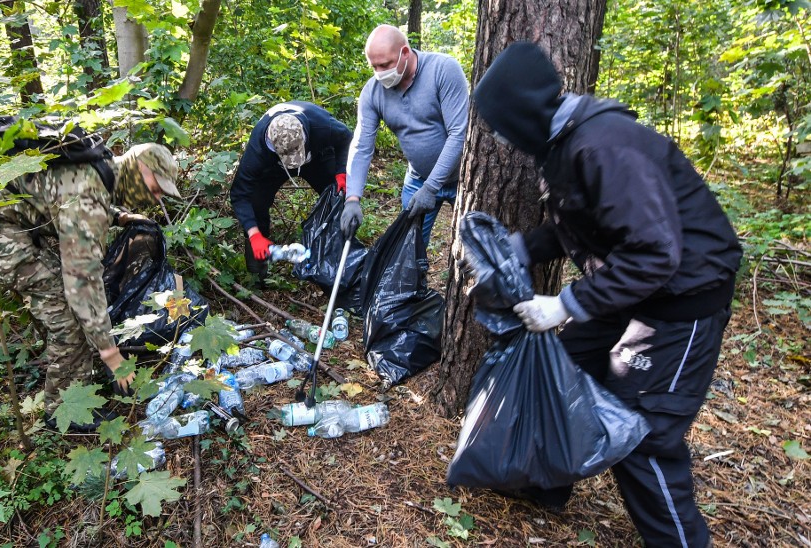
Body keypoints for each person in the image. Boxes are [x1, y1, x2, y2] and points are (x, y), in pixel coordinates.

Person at [473, 42, 742, 547]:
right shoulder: (563, 145)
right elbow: (586, 224)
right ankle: (545, 483)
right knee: (562, 369)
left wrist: (566, 305)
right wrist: (521, 249)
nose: (498, 137)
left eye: (500, 124)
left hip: (682, 301)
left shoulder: (604, 145)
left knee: (644, 435)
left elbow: (655, 255)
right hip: (631, 289)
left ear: (522, 114)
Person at [0, 142, 181, 431]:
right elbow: (82, 284)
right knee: (67, 312)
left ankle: (71, 367)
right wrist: (110, 354)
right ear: (139, 167)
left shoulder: (99, 167)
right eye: (155, 187)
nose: (156, 196)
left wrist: (117, 215)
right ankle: (63, 407)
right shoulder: (89, 201)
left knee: (59, 300)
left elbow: (66, 190)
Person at [340, 24, 469, 247]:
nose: (380, 73)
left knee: (473, 249)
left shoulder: (443, 69)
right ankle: (417, 282)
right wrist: (352, 198)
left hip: (465, 180)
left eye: (386, 65)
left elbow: (459, 133)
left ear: (405, 53)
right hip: (418, 180)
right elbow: (361, 145)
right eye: (374, 67)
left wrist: (431, 187)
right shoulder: (372, 92)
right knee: (408, 249)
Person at [230, 101, 353, 281]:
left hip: (316, 157)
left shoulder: (321, 125)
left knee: (337, 195)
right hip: (274, 166)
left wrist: (341, 172)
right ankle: (257, 271)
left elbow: (346, 138)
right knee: (256, 202)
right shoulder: (258, 149)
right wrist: (253, 233)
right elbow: (239, 193)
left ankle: (338, 259)